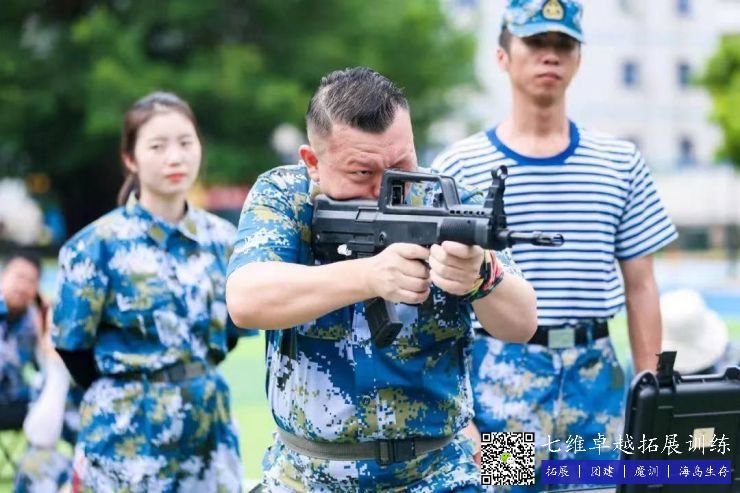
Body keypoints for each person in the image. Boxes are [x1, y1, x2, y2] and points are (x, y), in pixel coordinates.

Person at [226, 67, 538, 492]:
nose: (386, 190)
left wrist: (483, 276)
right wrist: (369, 276)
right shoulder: (284, 195)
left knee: (598, 474)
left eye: (401, 166)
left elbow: (523, 323)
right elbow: (246, 302)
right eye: (362, 173)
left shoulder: (452, 200)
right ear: (313, 163)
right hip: (308, 476)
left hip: (437, 472)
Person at [431, 1, 677, 490]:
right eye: (536, 42)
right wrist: (460, 418)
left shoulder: (619, 163)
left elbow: (642, 286)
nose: (551, 55)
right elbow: (437, 301)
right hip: (503, 381)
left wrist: (651, 394)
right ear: (503, 55)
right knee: (509, 487)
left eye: (563, 44)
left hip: (595, 382)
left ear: (579, 58)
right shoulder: (460, 167)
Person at [52, 91, 244, 492]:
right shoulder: (95, 247)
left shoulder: (226, 241)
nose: (175, 158)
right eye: (157, 146)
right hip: (126, 436)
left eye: (186, 143)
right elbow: (73, 349)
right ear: (130, 158)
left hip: (207, 432)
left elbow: (232, 331)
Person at [0, 251, 43, 431]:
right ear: (3, 276)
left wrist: (44, 329)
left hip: (13, 401)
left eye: (31, 281)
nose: (23, 287)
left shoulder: (35, 322)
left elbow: (44, 368)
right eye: (19, 277)